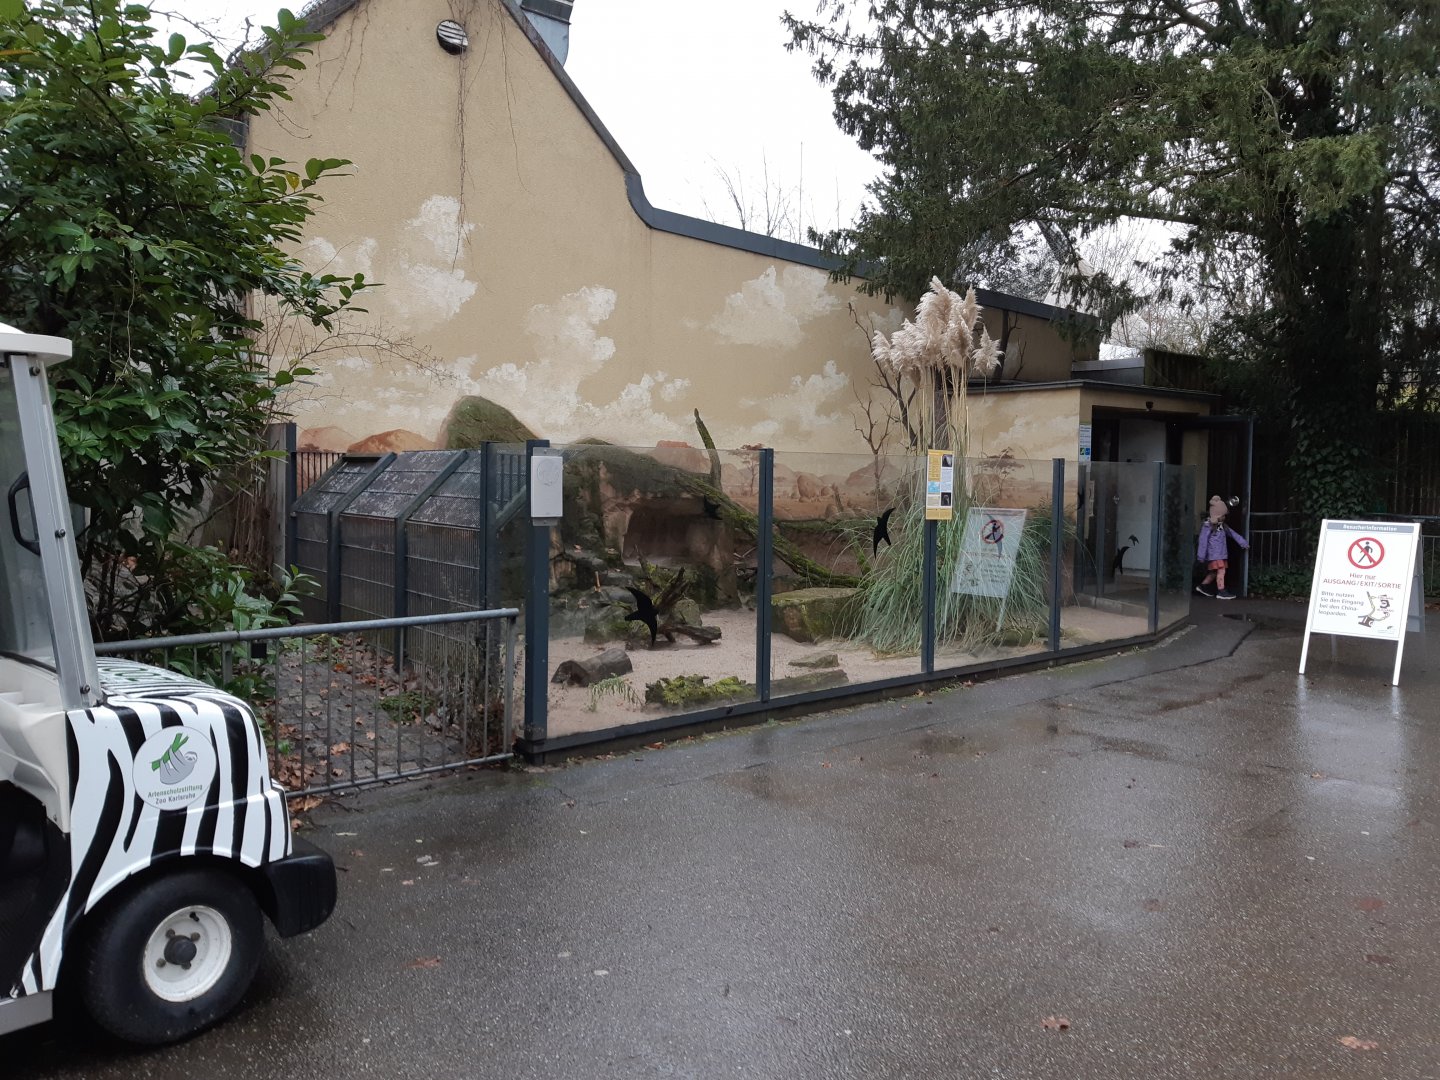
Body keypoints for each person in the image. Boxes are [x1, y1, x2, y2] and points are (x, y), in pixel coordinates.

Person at [1195, 495, 1248, 599]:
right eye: (1223, 515)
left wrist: (1243, 542)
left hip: (1219, 553)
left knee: (1214, 572)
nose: (1224, 518)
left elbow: (1232, 533)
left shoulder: (1221, 526)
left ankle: (1203, 586)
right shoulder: (1209, 526)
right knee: (1221, 571)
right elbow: (1203, 541)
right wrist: (1201, 555)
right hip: (1215, 554)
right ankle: (1221, 591)